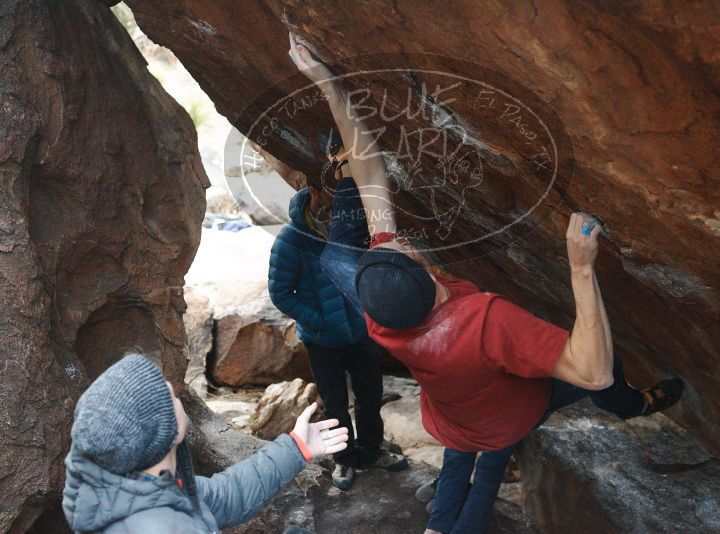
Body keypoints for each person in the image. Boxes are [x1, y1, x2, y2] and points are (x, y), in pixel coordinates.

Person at [288, 33, 684, 534]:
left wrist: (328, 85)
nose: (398, 239)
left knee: (461, 457)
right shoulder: (483, 320)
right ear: (428, 272)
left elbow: (370, 172)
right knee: (604, 365)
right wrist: (581, 267)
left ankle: (437, 528)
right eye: (403, 246)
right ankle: (634, 407)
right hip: (511, 414)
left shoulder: (379, 300)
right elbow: (593, 373)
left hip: (452, 416)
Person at [62, 353, 347, 533]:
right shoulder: (160, 527)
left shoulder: (143, 486)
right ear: (166, 432)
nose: (177, 396)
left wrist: (296, 447)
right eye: (169, 396)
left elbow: (225, 495)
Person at [268, 133, 407, 491]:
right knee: (335, 402)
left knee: (370, 394)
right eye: (325, 192)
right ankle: (343, 460)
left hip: (360, 332)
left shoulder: (349, 226)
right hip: (322, 339)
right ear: (312, 193)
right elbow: (281, 292)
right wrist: (317, 319)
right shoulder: (291, 241)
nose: (333, 198)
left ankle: (372, 450)